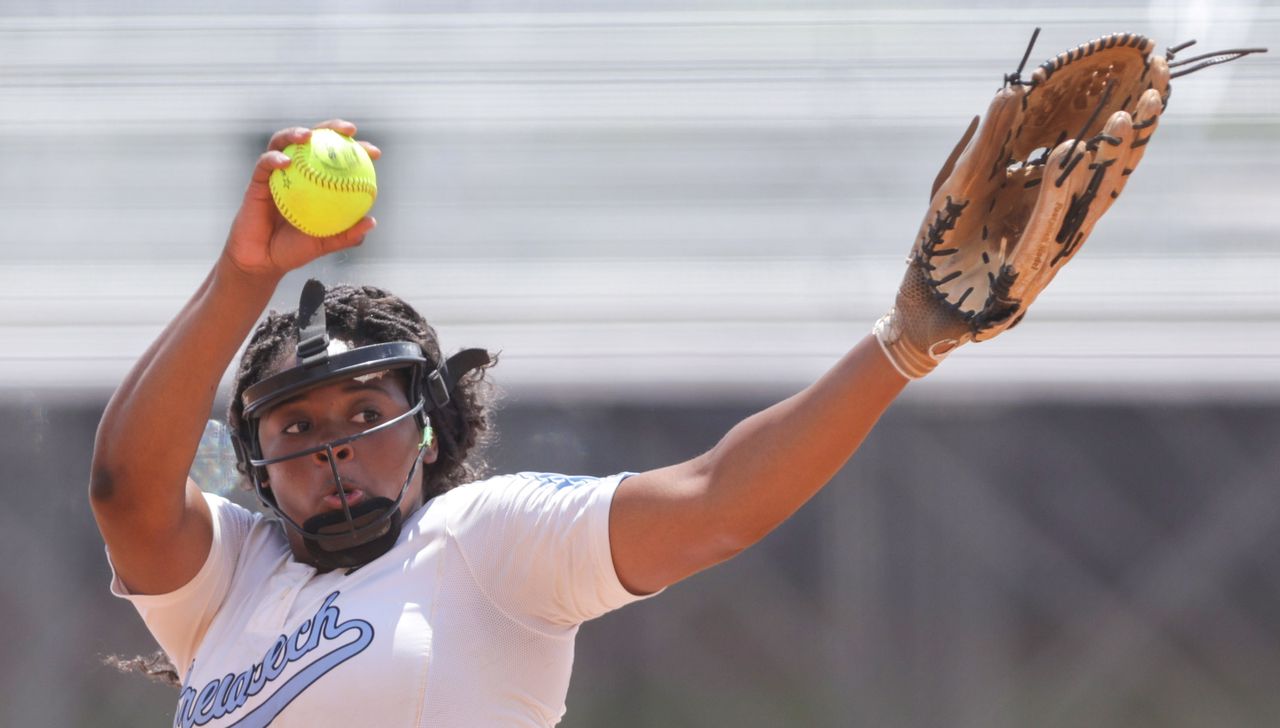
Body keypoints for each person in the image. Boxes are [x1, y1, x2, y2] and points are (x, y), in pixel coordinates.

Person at [89, 78, 1148, 724]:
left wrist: (899, 346)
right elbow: (125, 489)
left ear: (429, 428)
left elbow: (714, 498)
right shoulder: (235, 584)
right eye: (294, 426)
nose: (331, 448)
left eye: (363, 410)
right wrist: (243, 277)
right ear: (258, 463)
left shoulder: (477, 542)